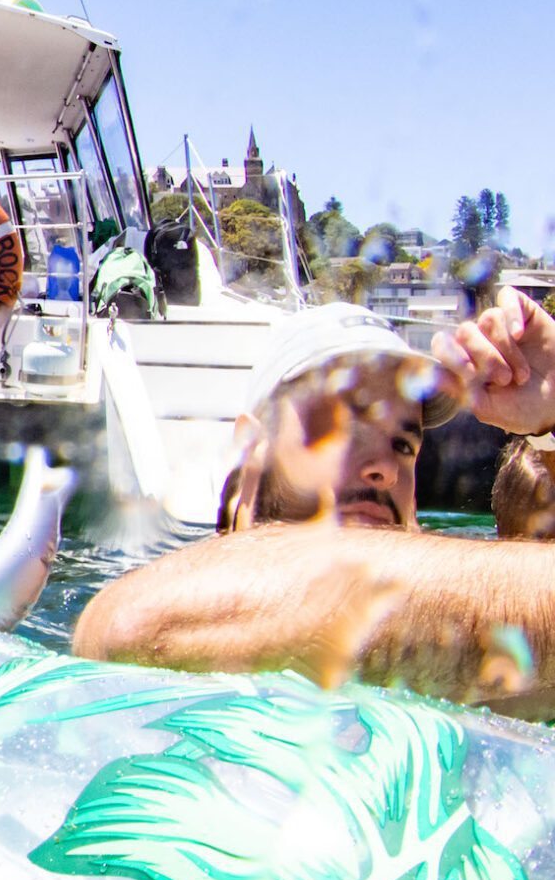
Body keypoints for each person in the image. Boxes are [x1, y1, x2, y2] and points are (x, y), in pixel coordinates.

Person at [75, 293, 555, 715]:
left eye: (403, 446)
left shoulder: (475, 648)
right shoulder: (169, 608)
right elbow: (125, 628)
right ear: (252, 449)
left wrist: (550, 426)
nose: (385, 469)